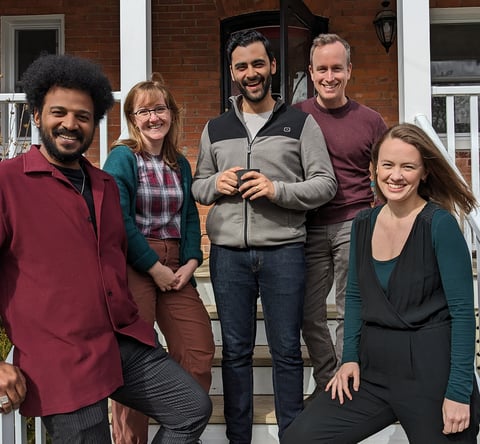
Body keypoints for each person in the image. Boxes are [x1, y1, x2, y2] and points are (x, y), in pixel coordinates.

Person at [0, 53, 212, 443]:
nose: (70, 124)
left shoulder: (104, 185)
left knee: (191, 408)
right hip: (59, 357)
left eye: (82, 116)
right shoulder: (7, 182)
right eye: (58, 113)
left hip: (118, 341)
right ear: (35, 115)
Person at [281, 123, 480, 444]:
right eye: (387, 165)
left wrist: (459, 391)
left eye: (408, 166)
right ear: (373, 168)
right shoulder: (363, 223)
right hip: (373, 374)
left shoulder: (439, 225)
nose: (395, 175)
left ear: (424, 172)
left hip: (432, 375)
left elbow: (462, 314)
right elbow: (357, 298)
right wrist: (349, 359)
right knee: (300, 438)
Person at [191, 29, 337, 443]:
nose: (250, 73)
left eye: (258, 64)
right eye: (241, 66)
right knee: (235, 352)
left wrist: (278, 190)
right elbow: (198, 185)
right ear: (232, 72)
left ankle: (291, 434)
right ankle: (240, 437)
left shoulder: (300, 124)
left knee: (286, 350)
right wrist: (215, 183)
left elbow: (325, 184)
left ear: (272, 66)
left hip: (284, 252)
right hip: (228, 255)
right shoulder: (216, 128)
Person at [103, 73, 215, 444]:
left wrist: (191, 263)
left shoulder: (178, 163)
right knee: (136, 363)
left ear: (172, 114)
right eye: (144, 111)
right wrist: (153, 268)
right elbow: (116, 222)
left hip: (175, 265)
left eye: (160, 109)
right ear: (132, 118)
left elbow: (186, 218)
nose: (154, 117)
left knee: (198, 351)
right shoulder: (122, 158)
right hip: (135, 263)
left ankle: (180, 434)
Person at [293, 33, 387, 396]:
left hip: (355, 221)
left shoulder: (370, 120)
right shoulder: (297, 116)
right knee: (308, 311)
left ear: (349, 71)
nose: (329, 76)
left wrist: (379, 218)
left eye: (336, 68)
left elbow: (385, 172)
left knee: (352, 306)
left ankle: (350, 377)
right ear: (311, 73)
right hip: (310, 225)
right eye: (321, 69)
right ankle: (327, 378)